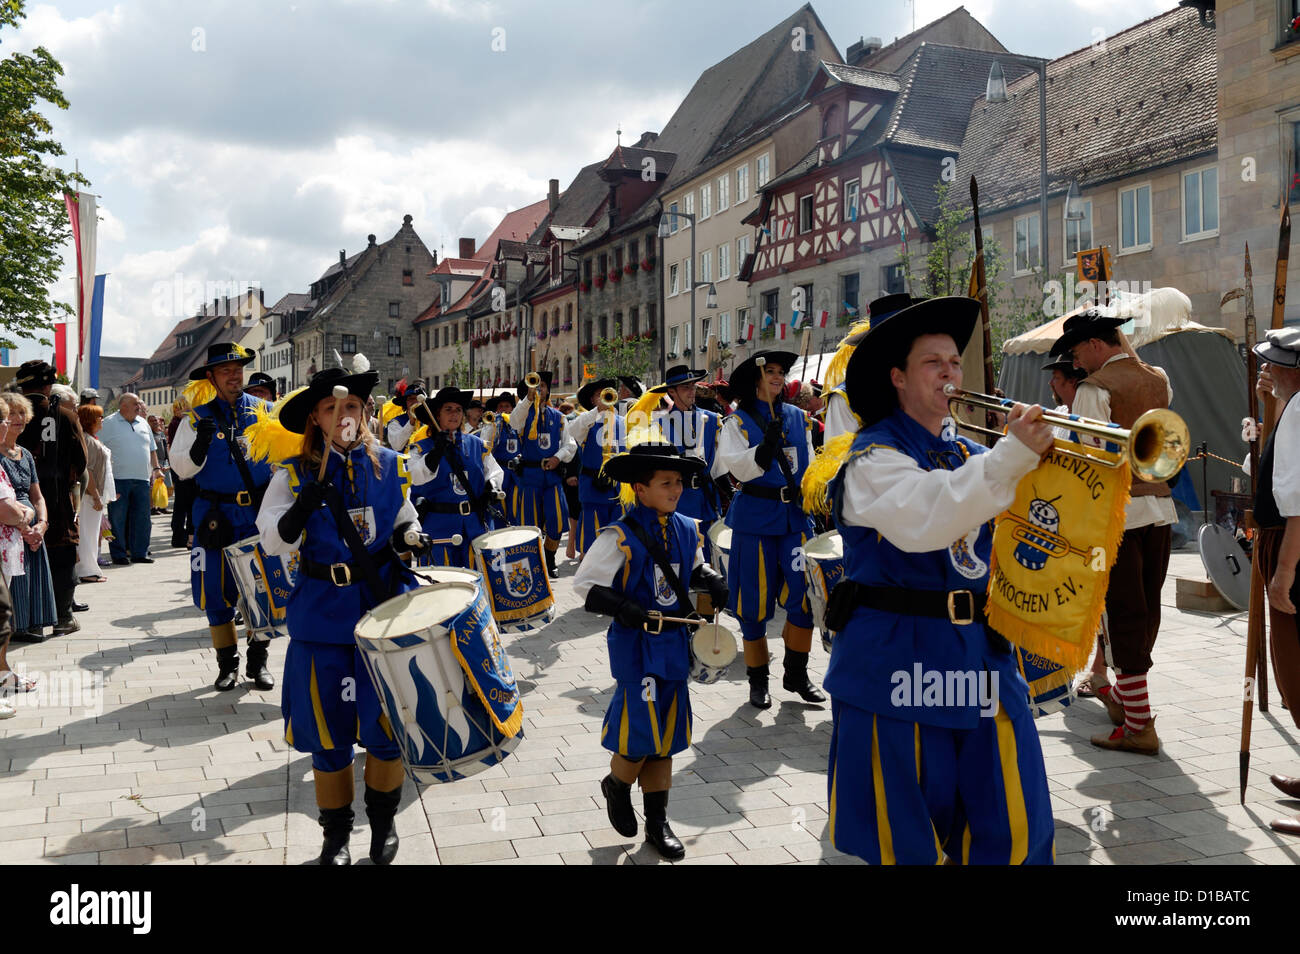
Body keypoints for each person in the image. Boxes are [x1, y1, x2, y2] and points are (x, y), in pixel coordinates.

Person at [819, 294, 1056, 865]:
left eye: (954, 361)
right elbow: (929, 515)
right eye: (933, 363)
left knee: (1012, 833)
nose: (950, 371)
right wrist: (1010, 460)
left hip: (981, 661)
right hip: (896, 666)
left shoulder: (972, 452)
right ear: (898, 378)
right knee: (905, 845)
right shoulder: (870, 460)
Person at [256, 366, 431, 865]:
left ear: (366, 412)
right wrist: (297, 509)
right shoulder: (291, 474)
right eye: (332, 408)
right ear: (316, 416)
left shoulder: (393, 465)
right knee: (328, 735)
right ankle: (335, 837)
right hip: (321, 616)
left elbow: (404, 518)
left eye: (351, 406)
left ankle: (384, 823)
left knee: (387, 728)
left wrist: (408, 537)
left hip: (382, 612)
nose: (343, 416)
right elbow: (272, 539)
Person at [574, 441, 729, 860]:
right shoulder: (619, 535)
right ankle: (617, 785)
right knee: (640, 732)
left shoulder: (685, 527)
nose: (676, 489)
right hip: (637, 645)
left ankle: (657, 823)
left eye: (678, 482)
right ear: (640, 488)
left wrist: (711, 578)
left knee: (669, 735)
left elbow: (691, 567)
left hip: (674, 644)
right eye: (666, 483)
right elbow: (585, 585)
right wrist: (622, 606)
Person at [1051, 309, 1175, 755]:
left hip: (1117, 513)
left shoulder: (1093, 388)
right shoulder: (1158, 377)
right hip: (1159, 507)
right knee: (1145, 610)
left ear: (1098, 345)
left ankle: (1138, 725)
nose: (1076, 360)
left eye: (1079, 350)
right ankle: (1128, 703)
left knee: (1122, 613)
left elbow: (1088, 459)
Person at [718, 350, 824, 708]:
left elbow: (808, 462)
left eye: (781, 372)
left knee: (806, 597)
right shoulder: (737, 422)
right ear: (756, 380)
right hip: (754, 520)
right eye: (771, 372)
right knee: (752, 601)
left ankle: (796, 674)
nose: (778, 377)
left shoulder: (799, 417)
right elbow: (737, 469)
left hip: (794, 518)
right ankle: (758, 679)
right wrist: (765, 446)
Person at [170, 343, 275, 691]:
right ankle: (226, 665)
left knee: (262, 588)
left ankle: (258, 663)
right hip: (214, 515)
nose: (234, 375)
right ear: (212, 377)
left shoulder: (264, 411)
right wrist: (200, 442)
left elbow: (283, 457)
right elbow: (182, 468)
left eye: (238, 369)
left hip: (256, 513)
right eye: (226, 370)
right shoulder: (195, 417)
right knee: (215, 589)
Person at [1232, 332, 1300, 836]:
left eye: (1276, 368)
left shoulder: (1299, 409)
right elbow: (1281, 465)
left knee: (1297, 670)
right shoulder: (1292, 406)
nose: (1269, 372)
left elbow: (1297, 500)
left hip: (1293, 546)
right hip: (1286, 539)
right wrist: (1273, 404)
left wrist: (1285, 572)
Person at [15, 361, 87, 635]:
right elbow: (81, 460)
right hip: (56, 498)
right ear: (48, 385)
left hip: (16, 499)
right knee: (63, 552)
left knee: (19, 556)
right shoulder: (65, 416)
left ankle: (26, 621)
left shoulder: (10, 415)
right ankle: (63, 617)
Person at [406, 387, 504, 568]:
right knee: (443, 586)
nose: (454, 414)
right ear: (437, 415)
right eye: (448, 409)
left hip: (474, 525)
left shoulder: (477, 445)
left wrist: (492, 485)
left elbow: (494, 471)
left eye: (458, 410)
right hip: (439, 527)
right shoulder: (419, 449)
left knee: (478, 580)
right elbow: (414, 477)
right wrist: (435, 453)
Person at [651, 365, 727, 579]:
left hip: (705, 498)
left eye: (693, 386)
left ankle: (706, 607)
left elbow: (719, 465)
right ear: (671, 392)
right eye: (685, 387)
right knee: (677, 562)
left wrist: (728, 491)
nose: (691, 391)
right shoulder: (659, 424)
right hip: (676, 500)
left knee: (707, 568)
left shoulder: (713, 420)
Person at [1, 392, 59, 642]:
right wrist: (25, 526)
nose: (18, 418)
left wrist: (43, 525)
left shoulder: (25, 453)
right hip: (10, 523)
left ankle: (33, 622)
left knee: (33, 575)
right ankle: (15, 627)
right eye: (11, 413)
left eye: (22, 412)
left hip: (32, 525)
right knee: (15, 575)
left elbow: (38, 495)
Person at [507, 371, 576, 577]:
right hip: (529, 476)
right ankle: (534, 564)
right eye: (536, 385)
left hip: (552, 476)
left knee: (555, 522)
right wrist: (528, 398)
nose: (540, 389)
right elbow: (513, 422)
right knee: (531, 524)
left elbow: (570, 444)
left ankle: (551, 558)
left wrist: (558, 457)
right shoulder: (524, 414)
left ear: (548, 390)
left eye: (543, 386)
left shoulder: (560, 417)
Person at [0, 395, 38, 700]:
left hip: (12, 543)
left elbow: (34, 496)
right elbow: (7, 509)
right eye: (4, 417)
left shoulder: (24, 453)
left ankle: (3, 672)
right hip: (9, 539)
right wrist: (24, 518)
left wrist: (37, 519)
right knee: (2, 616)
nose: (10, 422)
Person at [99, 393, 162, 564]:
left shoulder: (143, 423)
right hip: (118, 480)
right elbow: (98, 448)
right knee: (118, 519)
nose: (139, 407)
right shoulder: (108, 423)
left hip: (142, 479)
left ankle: (140, 553)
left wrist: (156, 469)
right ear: (123, 406)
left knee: (142, 518)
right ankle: (119, 554)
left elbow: (152, 449)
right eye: (135, 404)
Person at [566, 378, 626, 558]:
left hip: (618, 489)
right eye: (599, 394)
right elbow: (572, 431)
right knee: (592, 540)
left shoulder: (623, 422)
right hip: (593, 487)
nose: (604, 397)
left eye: (607, 393)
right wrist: (597, 411)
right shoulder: (587, 422)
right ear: (592, 400)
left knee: (618, 538)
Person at [75, 404, 114, 584]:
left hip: (93, 494)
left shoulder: (90, 438)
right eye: (99, 417)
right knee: (87, 534)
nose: (102, 420)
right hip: (89, 495)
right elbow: (87, 470)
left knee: (91, 534)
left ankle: (91, 568)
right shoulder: (87, 440)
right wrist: (96, 495)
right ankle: (85, 570)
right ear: (91, 420)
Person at [482, 392, 521, 525]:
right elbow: (485, 445)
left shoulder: (518, 425)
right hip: (500, 471)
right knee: (499, 507)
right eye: (501, 406)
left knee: (516, 507)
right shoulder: (493, 425)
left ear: (512, 409)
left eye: (507, 406)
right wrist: (493, 426)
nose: (504, 409)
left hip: (516, 473)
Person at [168, 399, 196, 549]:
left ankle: (182, 536)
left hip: (184, 468)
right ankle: (180, 536)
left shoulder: (181, 422)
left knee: (183, 505)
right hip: (183, 468)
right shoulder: (178, 423)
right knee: (184, 506)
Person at [384, 379, 427, 452]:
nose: (415, 402)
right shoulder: (395, 422)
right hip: (404, 463)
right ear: (405, 403)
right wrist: (411, 423)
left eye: (418, 399)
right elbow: (397, 446)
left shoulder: (431, 420)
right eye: (411, 399)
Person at [147, 414, 171, 514]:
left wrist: (168, 462)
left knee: (165, 486)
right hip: (156, 463)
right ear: (148, 423)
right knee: (154, 487)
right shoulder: (149, 434)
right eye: (152, 421)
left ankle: (162, 506)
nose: (155, 422)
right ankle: (153, 508)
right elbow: (151, 451)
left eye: (156, 420)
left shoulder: (161, 433)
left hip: (165, 462)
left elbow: (165, 448)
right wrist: (157, 465)